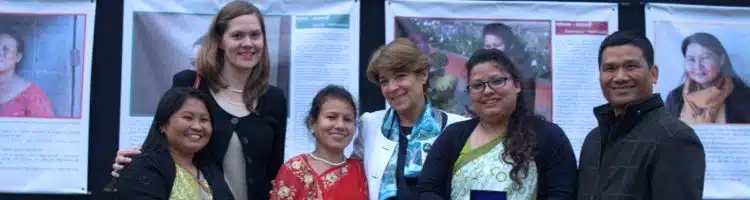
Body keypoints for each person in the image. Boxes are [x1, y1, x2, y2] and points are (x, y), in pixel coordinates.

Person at [111, 1, 288, 200]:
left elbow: (275, 172)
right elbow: (157, 142)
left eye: (255, 35)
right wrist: (132, 163)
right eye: (237, 35)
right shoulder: (190, 83)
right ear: (220, 40)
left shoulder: (274, 99)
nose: (247, 43)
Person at [416, 48, 577, 200]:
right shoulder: (453, 136)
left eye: (497, 81)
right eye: (477, 85)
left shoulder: (548, 136)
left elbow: (562, 194)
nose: (487, 91)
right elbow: (428, 189)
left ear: (517, 85)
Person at [577, 31, 705, 200]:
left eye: (631, 66)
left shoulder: (674, 139)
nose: (620, 77)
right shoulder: (594, 140)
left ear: (653, 74)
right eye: (610, 68)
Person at [352, 38, 468, 200]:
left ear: (423, 75)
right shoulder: (370, 124)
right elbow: (353, 180)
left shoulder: (456, 127)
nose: (392, 87)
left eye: (400, 76)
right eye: (384, 81)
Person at [117, 87, 234, 200]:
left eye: (204, 120)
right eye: (188, 117)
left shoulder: (211, 172)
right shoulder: (143, 167)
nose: (197, 126)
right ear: (163, 124)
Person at [270, 85, 368, 199]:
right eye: (331, 117)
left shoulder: (361, 171)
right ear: (312, 123)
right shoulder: (294, 169)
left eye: (347, 119)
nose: (340, 125)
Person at [665, 32, 750, 124]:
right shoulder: (675, 98)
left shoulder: (744, 96)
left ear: (722, 60)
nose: (698, 66)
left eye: (705, 58)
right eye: (691, 59)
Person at [481, 23, 539, 118]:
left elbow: (527, 105)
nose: (492, 50)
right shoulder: (482, 67)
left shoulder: (520, 70)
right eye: (488, 46)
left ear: (508, 45)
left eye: (497, 45)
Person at [0, 29, 54, 117]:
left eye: (6, 49)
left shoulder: (33, 95)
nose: (0, 52)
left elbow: (47, 129)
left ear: (18, 57)